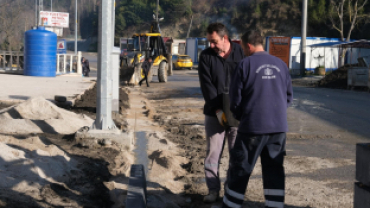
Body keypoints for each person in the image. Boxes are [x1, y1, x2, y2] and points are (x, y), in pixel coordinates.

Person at [222, 31, 293, 208]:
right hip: (278, 129)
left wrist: (241, 117)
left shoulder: (245, 64)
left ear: (248, 46)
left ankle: (231, 205)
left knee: (240, 169)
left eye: (244, 47)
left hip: (252, 128)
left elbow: (235, 99)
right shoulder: (281, 65)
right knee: (274, 170)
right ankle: (275, 206)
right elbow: (289, 97)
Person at [198, 23, 244, 203]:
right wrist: (218, 111)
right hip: (214, 113)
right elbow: (206, 86)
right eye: (209, 41)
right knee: (212, 154)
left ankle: (231, 190)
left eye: (214, 41)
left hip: (237, 114)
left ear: (225, 39)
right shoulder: (206, 57)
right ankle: (212, 190)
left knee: (236, 154)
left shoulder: (241, 53)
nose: (211, 46)